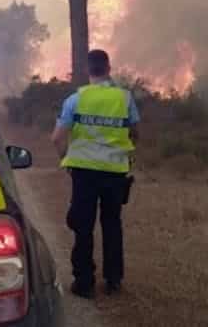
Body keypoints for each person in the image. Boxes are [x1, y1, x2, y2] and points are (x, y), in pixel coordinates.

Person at [51, 49, 140, 299]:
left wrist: (67, 160)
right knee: (112, 225)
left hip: (84, 173)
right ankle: (113, 280)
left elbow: (56, 138)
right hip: (114, 173)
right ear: (108, 68)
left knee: (83, 226)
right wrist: (125, 152)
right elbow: (135, 132)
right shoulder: (125, 98)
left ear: (88, 70)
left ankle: (84, 282)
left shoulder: (75, 100)